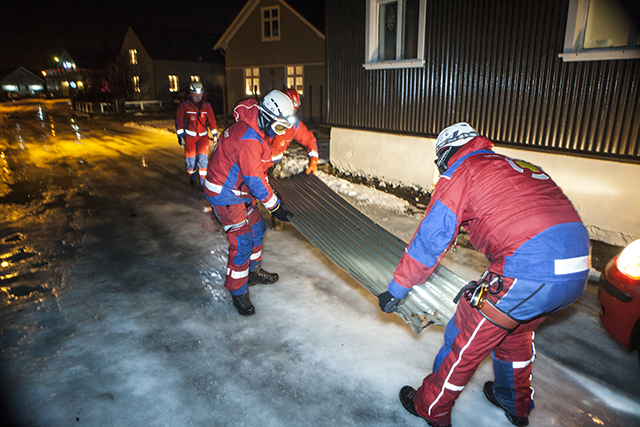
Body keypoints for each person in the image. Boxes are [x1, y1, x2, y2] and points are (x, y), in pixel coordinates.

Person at [377, 122, 590, 427]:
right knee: (515, 332)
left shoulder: (461, 170)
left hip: (529, 270)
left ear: (444, 155)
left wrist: (398, 288)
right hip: (575, 270)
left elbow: (431, 238)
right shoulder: (512, 165)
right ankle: (513, 401)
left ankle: (431, 406)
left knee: (466, 335)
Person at [203, 90, 295, 316]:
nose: (279, 134)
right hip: (225, 195)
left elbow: (256, 173)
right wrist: (274, 206)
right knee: (243, 242)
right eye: (279, 127)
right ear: (266, 117)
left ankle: (252, 272)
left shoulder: (256, 129)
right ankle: (238, 291)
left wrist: (273, 196)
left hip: (239, 190)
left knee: (257, 227)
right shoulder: (249, 139)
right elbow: (254, 180)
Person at [268, 88, 319, 230]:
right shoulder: (269, 120)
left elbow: (309, 140)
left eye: (295, 109)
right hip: (257, 163)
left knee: (274, 193)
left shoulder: (293, 124)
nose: (292, 112)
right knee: (255, 190)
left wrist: (313, 160)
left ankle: (276, 220)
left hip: (275, 163)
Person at [176, 81, 217, 187]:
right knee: (191, 162)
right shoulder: (184, 106)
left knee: (203, 161)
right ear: (191, 94)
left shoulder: (206, 106)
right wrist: (180, 136)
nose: (198, 98)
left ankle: (204, 185)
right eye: (195, 95)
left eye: (200, 95)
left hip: (203, 137)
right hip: (190, 137)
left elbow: (212, 120)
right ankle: (192, 178)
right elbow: (179, 121)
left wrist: (215, 135)